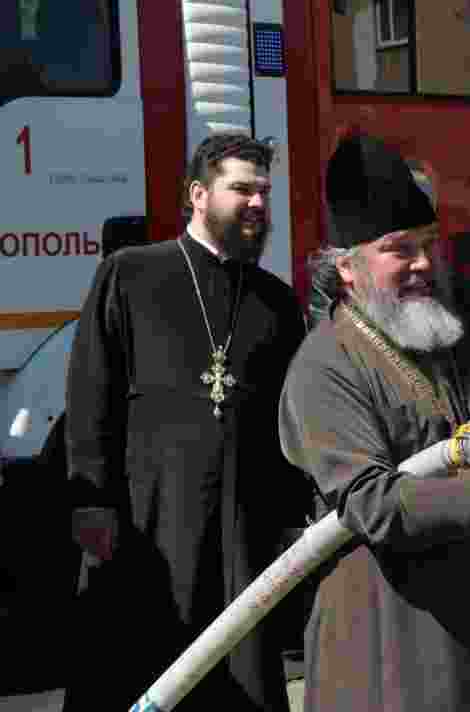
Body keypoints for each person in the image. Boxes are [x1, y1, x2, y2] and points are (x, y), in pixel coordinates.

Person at [279, 133, 470, 712]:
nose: (424, 263)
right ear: (348, 267)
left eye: (429, 243)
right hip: (406, 648)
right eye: (400, 248)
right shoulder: (324, 365)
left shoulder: (469, 308)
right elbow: (370, 503)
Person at [64, 133, 310, 711]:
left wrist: (291, 518)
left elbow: (287, 419)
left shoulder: (274, 301)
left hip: (242, 531)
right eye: (241, 189)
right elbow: (89, 391)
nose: (257, 204)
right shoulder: (129, 274)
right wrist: (90, 501)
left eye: (265, 192)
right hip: (148, 523)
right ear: (198, 194)